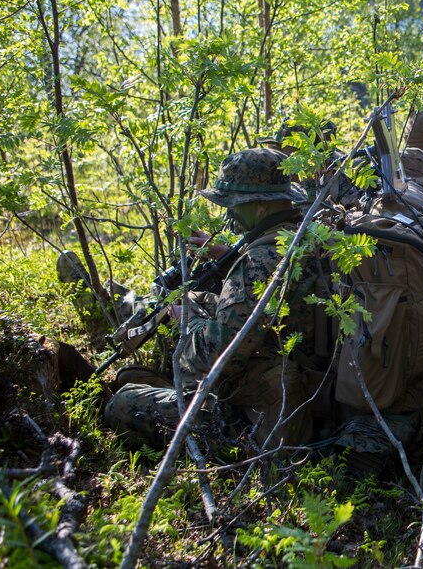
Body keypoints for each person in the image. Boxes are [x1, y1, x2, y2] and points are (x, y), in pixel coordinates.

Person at [103, 148, 333, 449]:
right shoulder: (303, 236)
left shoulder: (260, 262)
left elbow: (217, 358)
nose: (231, 213)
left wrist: (188, 319)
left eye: (234, 204)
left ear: (259, 206)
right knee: (136, 368)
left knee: (121, 404)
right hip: (300, 400)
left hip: (263, 425)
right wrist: (228, 258)